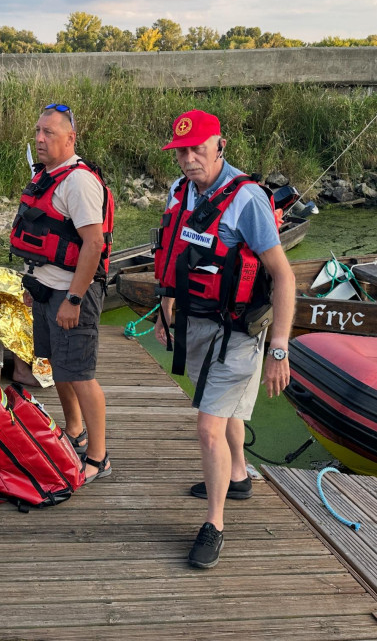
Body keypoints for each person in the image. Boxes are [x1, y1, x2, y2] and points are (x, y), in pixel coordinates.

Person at [154, 109, 295, 569]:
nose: (190, 159)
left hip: (238, 334)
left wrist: (279, 349)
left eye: (199, 148)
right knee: (223, 409)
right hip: (197, 325)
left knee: (207, 426)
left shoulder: (247, 200)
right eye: (181, 152)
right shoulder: (183, 191)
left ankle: (214, 524)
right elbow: (178, 250)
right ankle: (238, 476)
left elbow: (283, 277)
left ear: (221, 145)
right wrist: (166, 304)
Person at [10, 103, 113, 483]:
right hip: (45, 289)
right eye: (37, 130)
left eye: (49, 132)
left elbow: (93, 244)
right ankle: (75, 430)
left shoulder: (79, 181)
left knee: (82, 374)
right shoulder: (46, 177)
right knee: (58, 367)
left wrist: (73, 299)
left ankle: (99, 458)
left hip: (72, 294)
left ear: (70, 139)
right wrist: (31, 285)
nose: (39, 138)